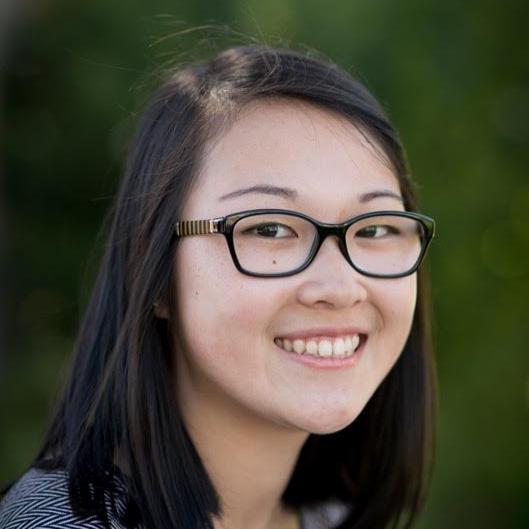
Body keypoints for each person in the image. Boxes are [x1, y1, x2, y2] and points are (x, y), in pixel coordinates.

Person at [0, 44, 437, 529]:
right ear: (157, 274)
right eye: (269, 228)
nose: (340, 286)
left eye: (375, 228)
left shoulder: (333, 519)